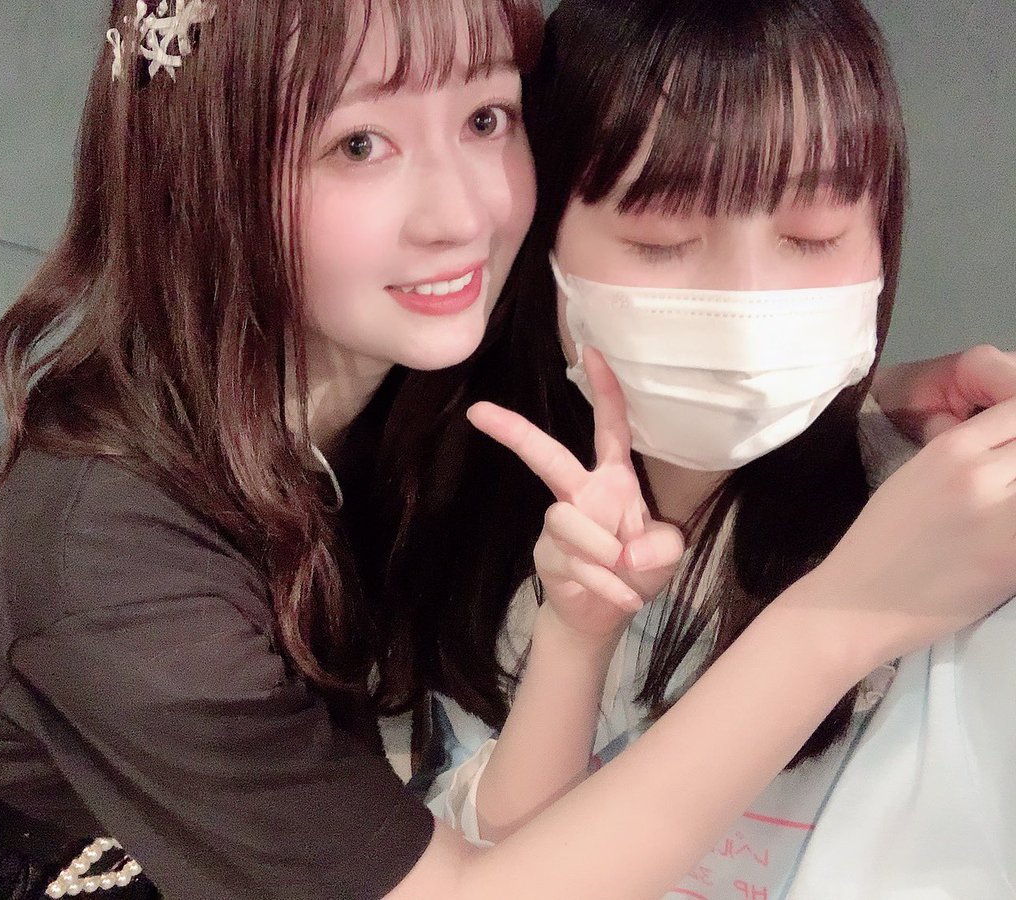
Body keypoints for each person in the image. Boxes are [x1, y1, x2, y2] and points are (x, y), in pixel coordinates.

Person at [0, 1, 1013, 899]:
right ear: (202, 171)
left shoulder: (408, 351)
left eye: (487, 117)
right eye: (358, 145)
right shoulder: (115, 565)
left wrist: (850, 399)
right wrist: (842, 618)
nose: (464, 210)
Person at [383, 0, 1015, 897]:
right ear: (543, 243)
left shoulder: (960, 526)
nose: (747, 302)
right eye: (663, 241)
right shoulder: (468, 522)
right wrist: (574, 642)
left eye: (813, 237)